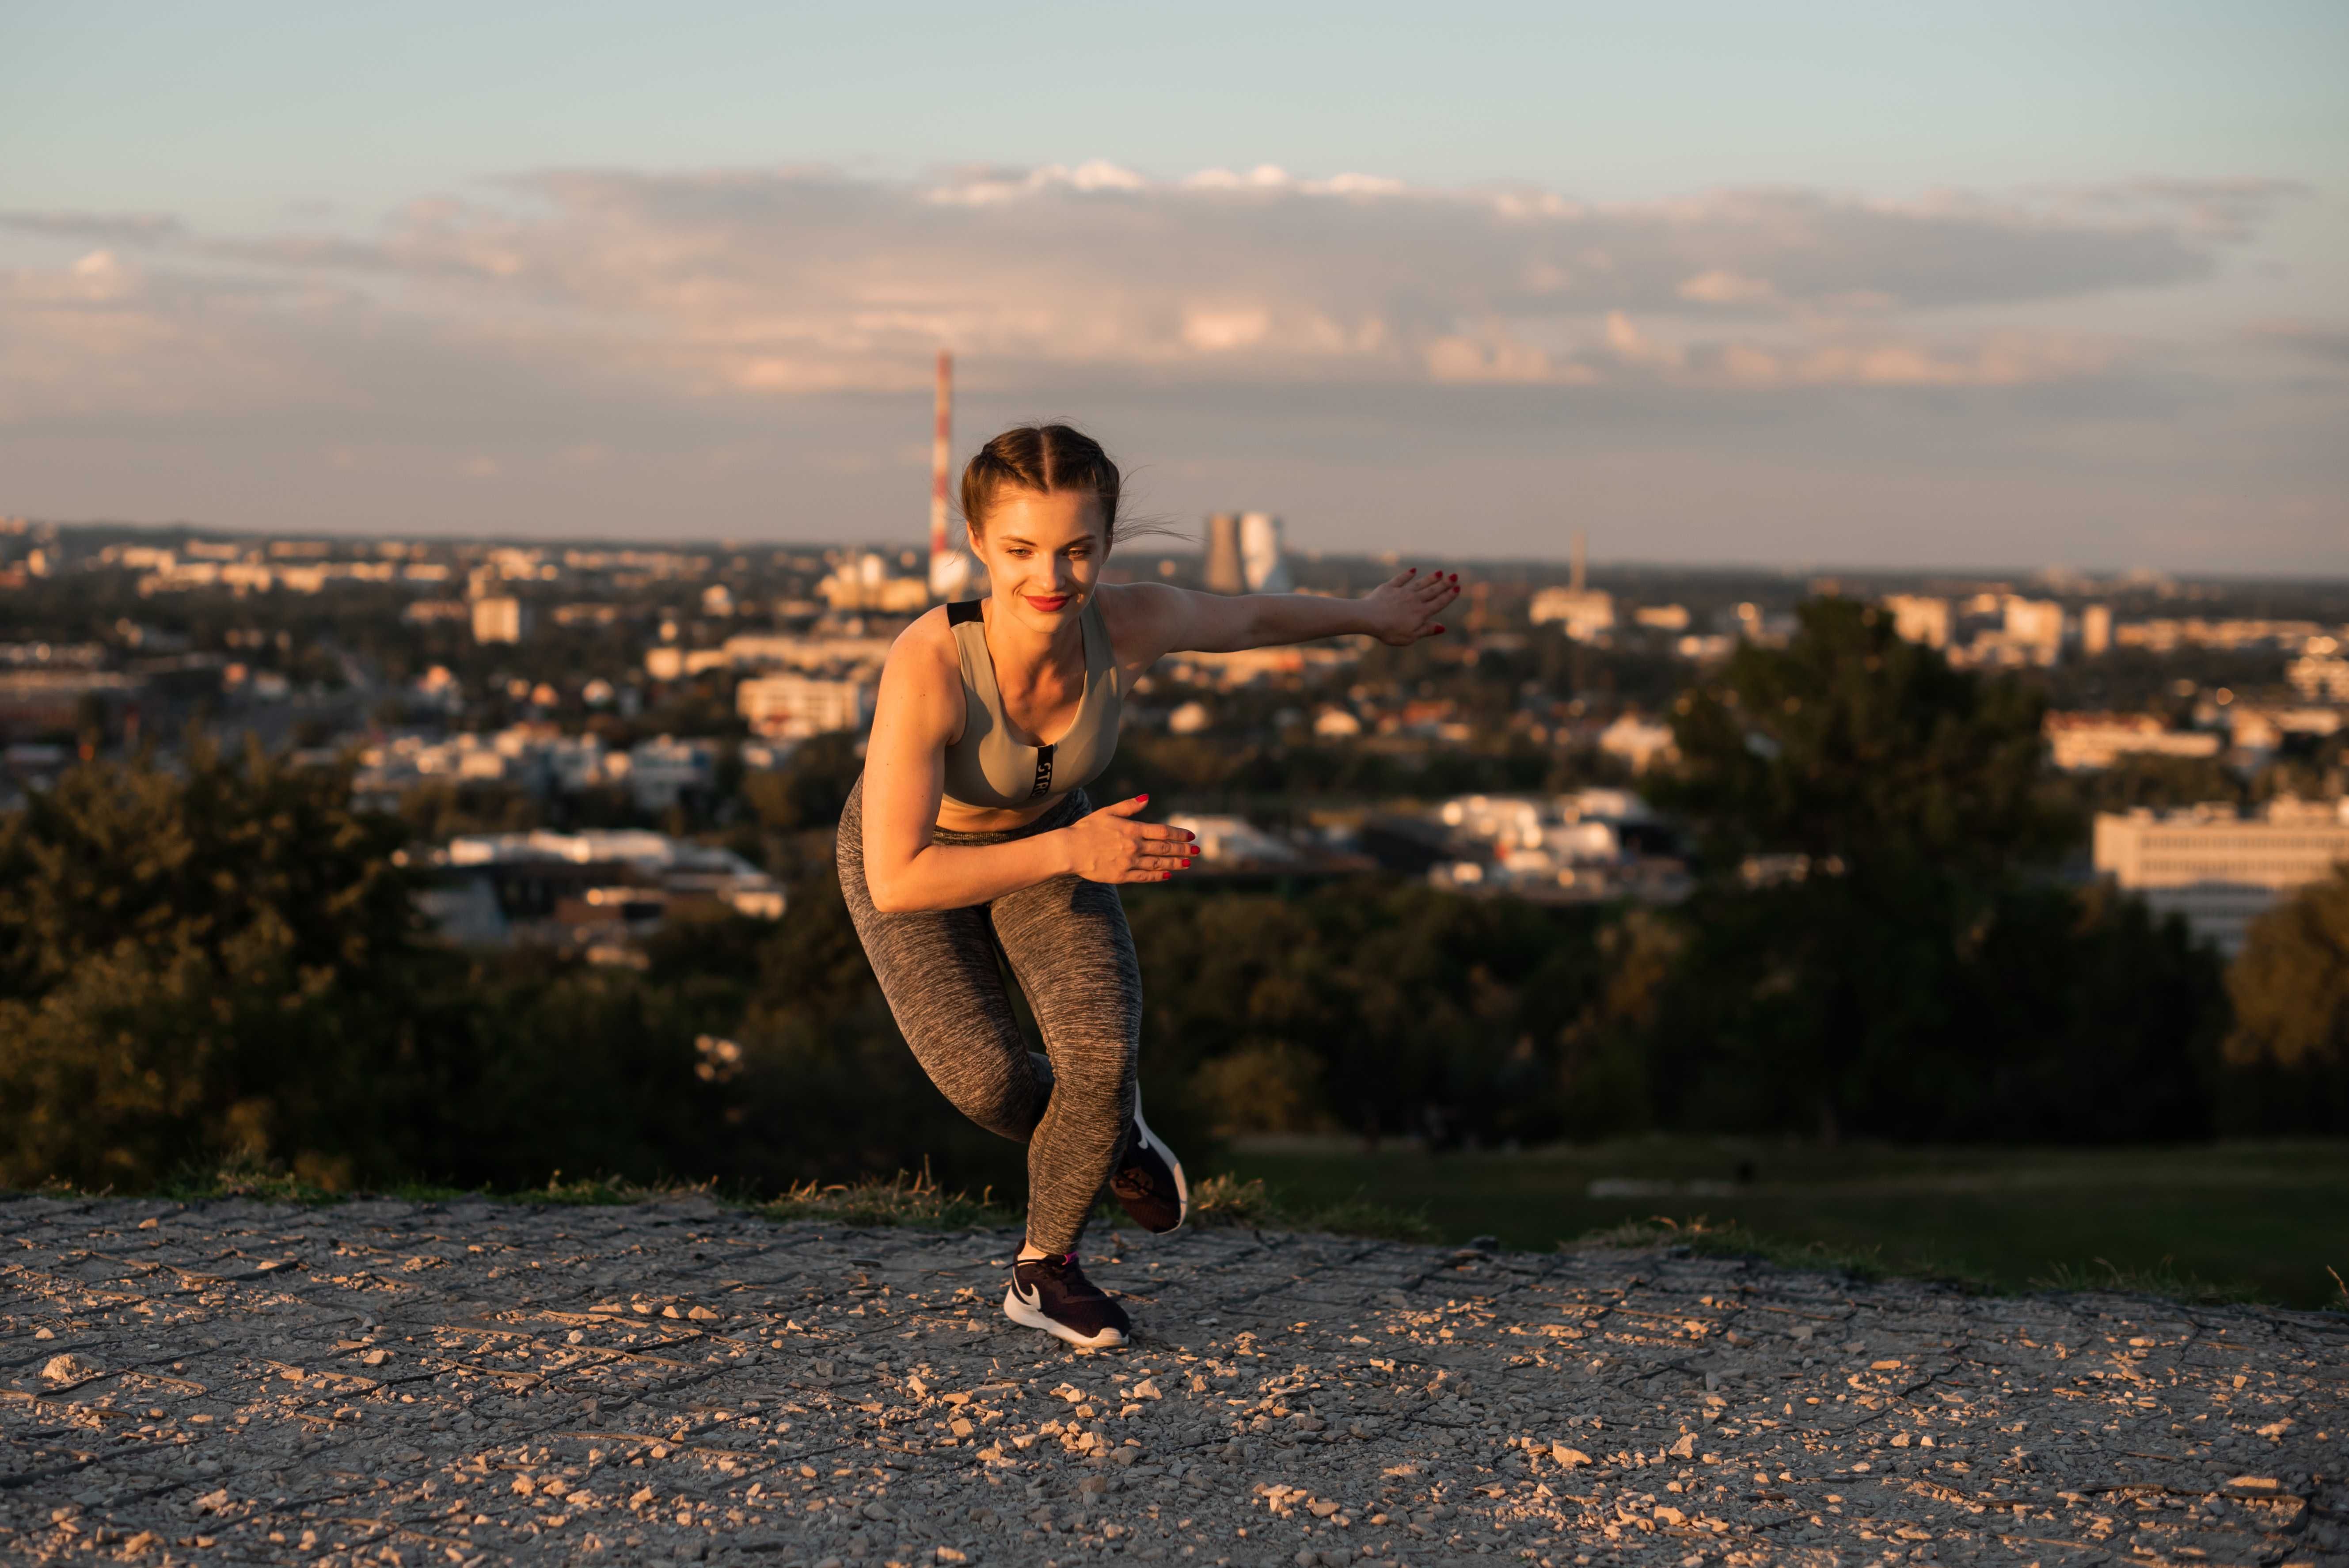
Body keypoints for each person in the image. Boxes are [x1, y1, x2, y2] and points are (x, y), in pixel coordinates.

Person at [838, 424, 1459, 1349]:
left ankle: (1045, 1269)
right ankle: (1115, 1133)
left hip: (1056, 837)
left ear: (1106, 544)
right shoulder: (932, 662)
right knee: (992, 1083)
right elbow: (899, 879)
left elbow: (1248, 619)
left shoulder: (1129, 622)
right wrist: (1073, 852)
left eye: (1077, 549)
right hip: (926, 852)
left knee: (1100, 1052)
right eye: (1019, 550)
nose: (1050, 575)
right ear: (976, 542)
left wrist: (1370, 614)